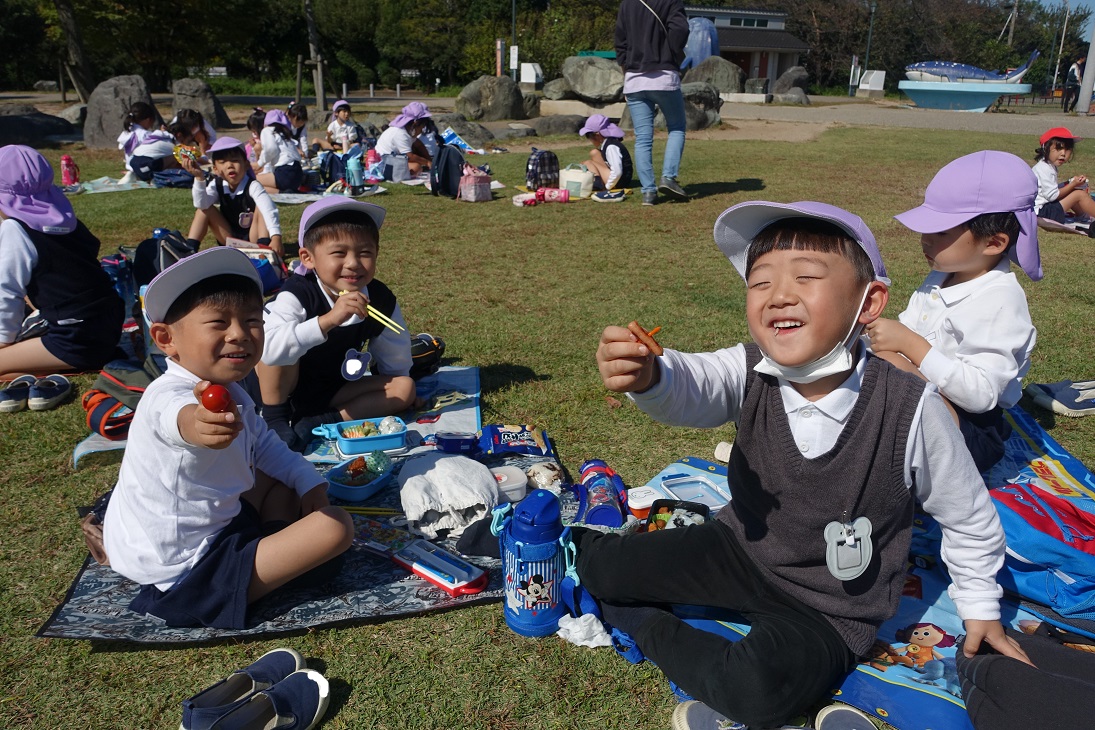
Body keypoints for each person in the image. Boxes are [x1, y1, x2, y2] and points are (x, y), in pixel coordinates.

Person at [585, 200, 1030, 729]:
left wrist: (981, 608)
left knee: (758, 694)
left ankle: (637, 619)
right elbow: (692, 382)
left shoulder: (913, 409)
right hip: (738, 549)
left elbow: (968, 515)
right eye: (760, 282)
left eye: (806, 276)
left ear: (869, 303)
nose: (779, 295)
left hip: (831, 606)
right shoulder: (748, 369)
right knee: (598, 567)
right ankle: (582, 560)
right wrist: (650, 377)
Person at [101, 247, 354, 629]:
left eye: (252, 321)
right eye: (218, 323)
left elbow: (266, 446)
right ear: (166, 339)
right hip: (185, 570)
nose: (239, 334)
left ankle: (276, 547)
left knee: (282, 479)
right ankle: (277, 558)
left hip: (215, 524)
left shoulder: (233, 390)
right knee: (335, 526)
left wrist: (311, 485)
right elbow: (177, 419)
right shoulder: (166, 395)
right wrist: (199, 424)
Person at [864, 151, 1040, 473]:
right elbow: (907, 329)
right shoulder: (943, 275)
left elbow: (981, 395)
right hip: (930, 400)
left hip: (971, 432)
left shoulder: (1000, 300)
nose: (924, 241)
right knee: (869, 361)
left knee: (888, 365)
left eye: (941, 233)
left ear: (994, 243)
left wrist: (910, 344)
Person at [257, 197, 415, 450]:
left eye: (365, 253)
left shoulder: (379, 299)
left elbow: (396, 356)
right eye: (339, 253)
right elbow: (269, 351)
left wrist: (397, 394)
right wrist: (328, 320)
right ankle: (274, 418)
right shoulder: (297, 294)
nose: (353, 263)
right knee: (278, 344)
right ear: (308, 258)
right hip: (283, 389)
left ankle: (320, 421)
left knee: (404, 388)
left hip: (334, 388)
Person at [0, 145, 124, 380]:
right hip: (108, 323)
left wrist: (4, 342)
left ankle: (60, 365)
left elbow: (6, 292)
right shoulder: (65, 219)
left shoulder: (15, 229)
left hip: (75, 337)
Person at [615, 0, 689, 206]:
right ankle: (668, 177)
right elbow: (681, 29)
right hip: (664, 76)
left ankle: (648, 192)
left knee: (643, 138)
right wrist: (671, 51)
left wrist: (626, 72)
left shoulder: (627, 4)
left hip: (634, 79)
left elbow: (620, 42)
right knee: (676, 128)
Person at [179, 137, 283, 256]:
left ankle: (264, 248)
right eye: (223, 162)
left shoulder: (253, 186)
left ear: (246, 164)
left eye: (235, 160)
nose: (230, 165)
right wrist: (199, 178)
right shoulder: (217, 185)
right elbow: (201, 204)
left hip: (253, 240)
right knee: (204, 209)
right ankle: (189, 250)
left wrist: (276, 237)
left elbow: (269, 209)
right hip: (230, 241)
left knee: (262, 207)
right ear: (216, 169)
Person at [1031, 127, 1095, 229]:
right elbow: (1052, 196)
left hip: (1045, 209)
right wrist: (1072, 185)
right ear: (1045, 149)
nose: (1063, 153)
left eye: (1067, 149)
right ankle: (1085, 215)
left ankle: (1083, 216)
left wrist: (1069, 183)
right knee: (1079, 194)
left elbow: (1049, 190)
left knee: (1073, 190)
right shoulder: (1044, 169)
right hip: (1043, 212)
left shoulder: (1048, 166)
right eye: (1058, 149)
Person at [117, 101, 178, 182]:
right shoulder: (144, 134)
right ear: (147, 120)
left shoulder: (128, 132)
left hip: (131, 166)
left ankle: (132, 174)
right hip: (142, 168)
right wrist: (163, 133)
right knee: (174, 156)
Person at [375, 102, 434, 176]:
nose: (421, 131)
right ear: (415, 124)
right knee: (416, 167)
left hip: (395, 158)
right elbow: (409, 156)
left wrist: (429, 159)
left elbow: (418, 145)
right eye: (421, 127)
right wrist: (426, 162)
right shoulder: (400, 133)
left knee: (416, 152)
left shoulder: (408, 131)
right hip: (384, 160)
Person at [579, 114, 634, 192]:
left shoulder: (611, 147)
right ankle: (598, 182)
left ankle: (598, 185)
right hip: (618, 179)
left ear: (597, 135)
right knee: (594, 153)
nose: (589, 139)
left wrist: (608, 186)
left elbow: (617, 172)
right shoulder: (608, 142)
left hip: (620, 182)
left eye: (588, 135)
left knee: (588, 163)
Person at [256, 109, 304, 194]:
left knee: (252, 181)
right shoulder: (284, 133)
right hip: (298, 174)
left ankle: (282, 193)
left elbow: (270, 149)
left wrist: (260, 163)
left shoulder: (267, 131)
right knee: (263, 184)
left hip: (284, 172)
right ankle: (287, 191)